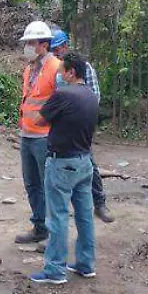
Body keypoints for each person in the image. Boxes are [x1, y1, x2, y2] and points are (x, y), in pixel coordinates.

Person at [29, 53, 100, 285]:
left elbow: (40, 120)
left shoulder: (62, 94)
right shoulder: (91, 96)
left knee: (58, 216)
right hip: (84, 161)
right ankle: (86, 263)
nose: (58, 75)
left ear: (71, 72)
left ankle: (55, 270)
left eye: (62, 71)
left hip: (62, 162)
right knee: (84, 214)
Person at [49, 31, 115, 224]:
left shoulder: (83, 67)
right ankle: (59, 210)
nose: (57, 52)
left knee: (89, 164)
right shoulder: (56, 71)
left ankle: (99, 202)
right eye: (54, 49)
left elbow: (94, 96)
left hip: (78, 126)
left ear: (66, 45)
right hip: (60, 127)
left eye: (59, 47)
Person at [15, 20, 62, 245]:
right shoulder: (30, 69)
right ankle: (40, 227)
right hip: (28, 135)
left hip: (46, 136)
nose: (27, 47)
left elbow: (63, 102)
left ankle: (53, 234)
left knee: (49, 186)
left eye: (30, 43)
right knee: (32, 184)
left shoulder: (56, 68)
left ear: (43, 44)